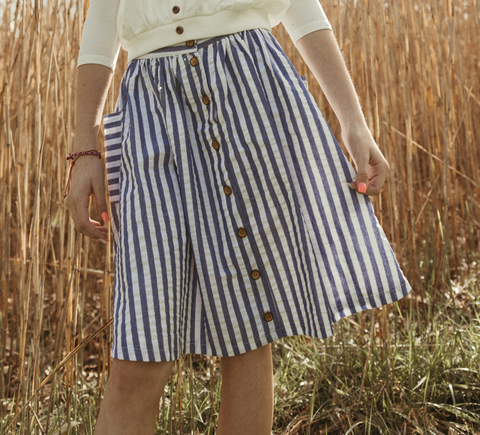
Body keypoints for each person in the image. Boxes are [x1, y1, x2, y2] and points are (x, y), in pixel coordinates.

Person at [65, 0, 411, 433]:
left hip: (249, 90)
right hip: (151, 106)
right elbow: (101, 23)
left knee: (249, 334)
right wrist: (85, 147)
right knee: (139, 349)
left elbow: (302, 10)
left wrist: (354, 123)